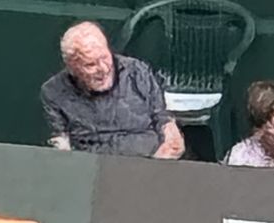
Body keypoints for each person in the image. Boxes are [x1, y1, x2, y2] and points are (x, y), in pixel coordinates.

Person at [41, 22, 185, 159]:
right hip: (93, 166)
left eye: (105, 57)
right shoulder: (54, 92)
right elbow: (61, 147)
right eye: (90, 64)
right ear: (72, 68)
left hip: (149, 160)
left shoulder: (136, 71)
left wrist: (169, 147)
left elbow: (162, 118)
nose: (103, 69)